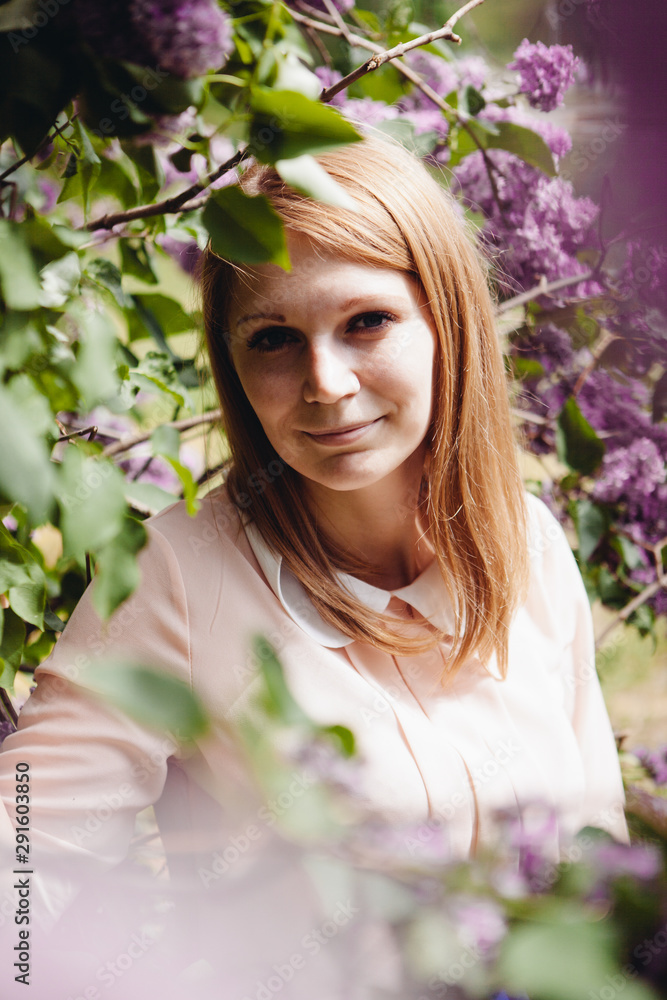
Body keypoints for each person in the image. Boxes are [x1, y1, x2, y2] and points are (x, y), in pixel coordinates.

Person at [0, 134, 627, 997]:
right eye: (273, 338)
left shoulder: (531, 547)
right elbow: (24, 849)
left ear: (446, 320)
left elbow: (601, 866)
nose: (324, 382)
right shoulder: (182, 573)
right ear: (233, 360)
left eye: (366, 321)